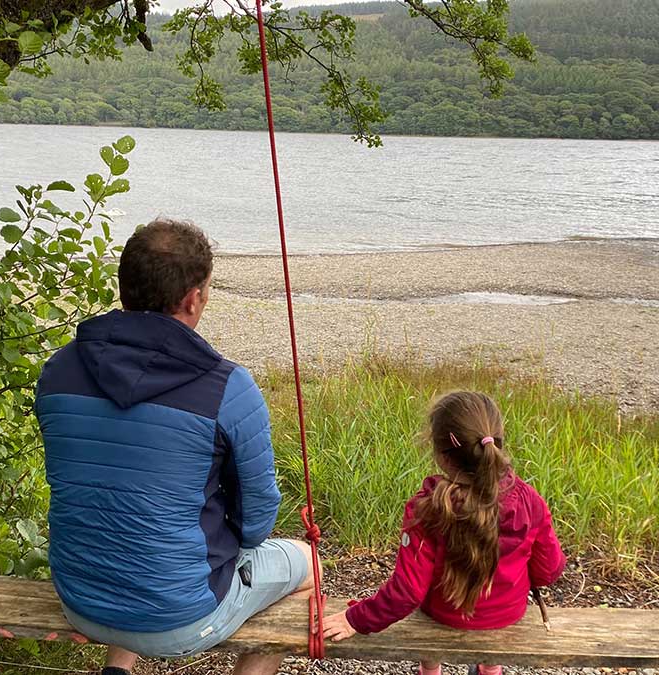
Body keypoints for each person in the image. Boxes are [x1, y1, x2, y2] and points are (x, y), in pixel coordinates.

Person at [35, 219, 312, 675]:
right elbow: (258, 520)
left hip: (80, 598)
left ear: (125, 289)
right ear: (192, 298)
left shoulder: (59, 370)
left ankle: (117, 670)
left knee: (133, 516)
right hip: (181, 619)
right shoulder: (228, 388)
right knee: (309, 564)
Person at [321, 391, 566, 675]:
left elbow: (407, 593)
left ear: (440, 454)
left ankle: (430, 670)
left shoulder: (428, 509)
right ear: (496, 442)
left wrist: (356, 619)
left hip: (443, 613)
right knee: (489, 642)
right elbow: (548, 571)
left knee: (428, 614)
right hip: (506, 614)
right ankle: (490, 670)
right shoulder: (529, 500)